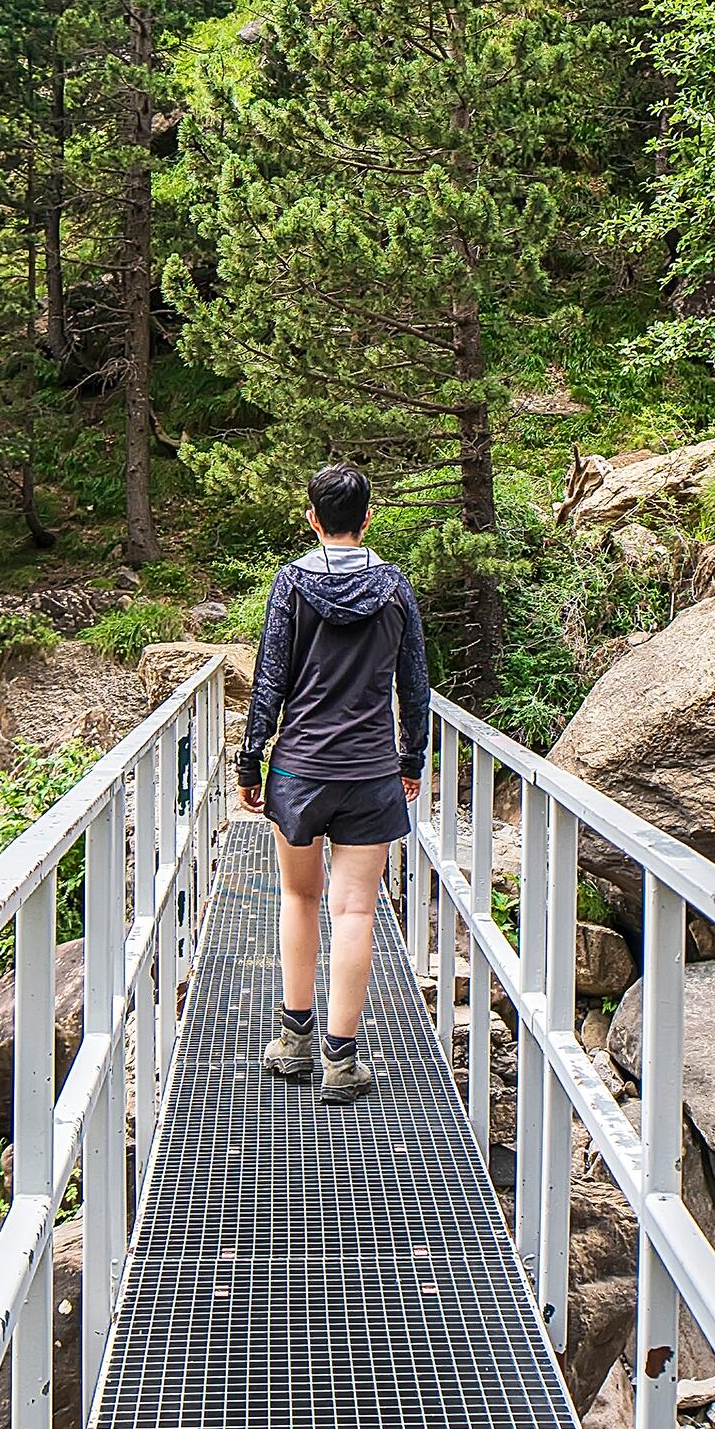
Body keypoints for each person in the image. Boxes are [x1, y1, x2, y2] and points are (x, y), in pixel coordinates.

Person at [235, 461, 429, 1105]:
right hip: (372, 772)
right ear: (368, 518)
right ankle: (341, 1061)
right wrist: (412, 760)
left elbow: (270, 680)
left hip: (299, 769)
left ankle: (292, 1039)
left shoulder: (290, 587)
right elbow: (414, 684)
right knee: (355, 910)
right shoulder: (396, 588)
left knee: (298, 897)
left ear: (313, 520)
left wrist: (250, 761)